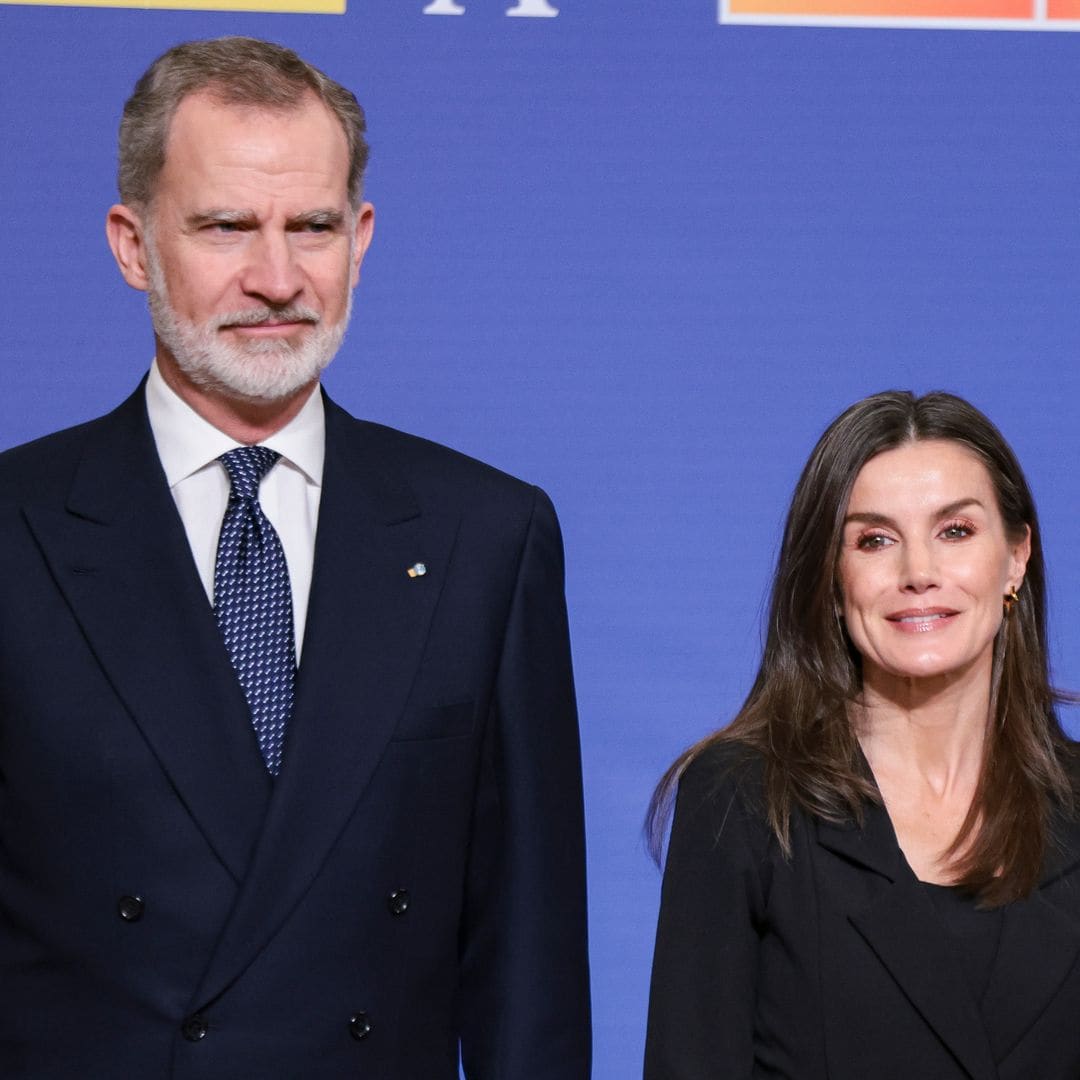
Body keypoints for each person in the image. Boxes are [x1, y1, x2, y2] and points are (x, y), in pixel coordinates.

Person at [0, 36, 590, 1079]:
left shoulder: (485, 537)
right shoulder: (15, 527)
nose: (277, 279)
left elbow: (527, 975)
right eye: (227, 226)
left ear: (360, 238)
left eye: (311, 226)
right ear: (133, 245)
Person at [644, 391, 1080, 1080]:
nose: (918, 574)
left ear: (1017, 557)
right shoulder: (744, 798)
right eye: (875, 539)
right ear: (830, 575)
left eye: (956, 531)